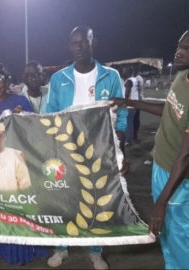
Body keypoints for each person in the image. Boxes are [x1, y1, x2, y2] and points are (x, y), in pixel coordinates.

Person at [45, 26, 128, 270]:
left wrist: (120, 151)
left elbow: (120, 115)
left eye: (84, 42)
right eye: (74, 43)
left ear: (94, 42)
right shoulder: (59, 78)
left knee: (97, 201)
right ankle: (61, 249)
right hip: (66, 152)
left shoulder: (110, 76)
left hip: (100, 152)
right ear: (69, 46)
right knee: (64, 201)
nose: (79, 47)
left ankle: (95, 251)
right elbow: (48, 116)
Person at [111, 30, 189, 270]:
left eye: (186, 49)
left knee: (179, 237)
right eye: (179, 46)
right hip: (160, 165)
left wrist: (162, 202)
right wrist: (132, 103)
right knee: (166, 234)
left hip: (177, 177)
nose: (179, 52)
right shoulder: (182, 77)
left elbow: (185, 156)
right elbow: (170, 110)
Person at [0, 62, 46, 265]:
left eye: (0, 80)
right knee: (1, 210)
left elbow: (35, 129)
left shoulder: (20, 101)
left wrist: (22, 116)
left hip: (20, 163)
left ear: (7, 81)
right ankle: (1, 248)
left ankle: (26, 250)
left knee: (21, 209)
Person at [121, 66, 139, 146]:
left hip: (129, 105)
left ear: (128, 72)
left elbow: (127, 93)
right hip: (134, 104)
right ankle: (130, 138)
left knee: (128, 123)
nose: (123, 72)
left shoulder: (129, 81)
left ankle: (128, 140)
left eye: (124, 70)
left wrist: (124, 102)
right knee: (130, 122)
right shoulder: (134, 79)